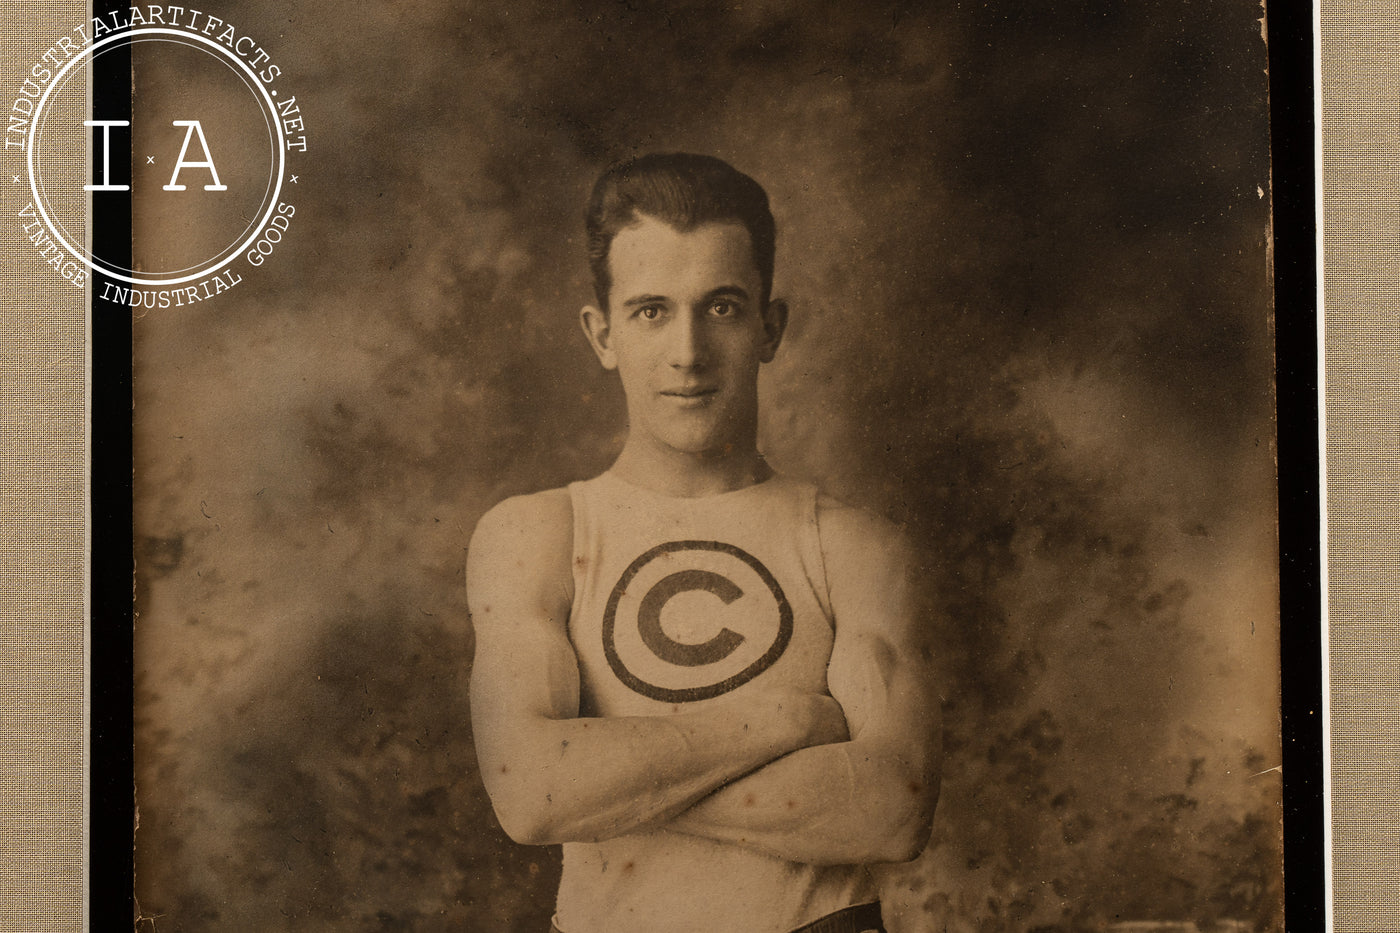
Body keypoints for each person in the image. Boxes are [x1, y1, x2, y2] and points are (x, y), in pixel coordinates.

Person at [466, 153, 941, 933]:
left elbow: (894, 809)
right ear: (603, 333)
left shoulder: (854, 547)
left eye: (720, 307)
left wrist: (613, 783)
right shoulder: (538, 534)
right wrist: (789, 723)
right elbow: (528, 793)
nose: (687, 352)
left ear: (770, 327)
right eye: (652, 310)